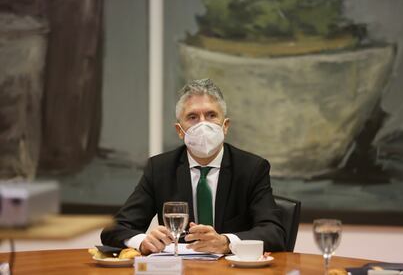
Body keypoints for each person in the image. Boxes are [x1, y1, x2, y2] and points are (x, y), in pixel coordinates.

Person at [101, 78, 286, 255]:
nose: (203, 124)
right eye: (192, 117)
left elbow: (274, 232)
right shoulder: (159, 169)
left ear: (225, 126)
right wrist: (142, 241)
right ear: (179, 131)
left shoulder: (252, 168)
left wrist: (226, 242)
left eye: (211, 115)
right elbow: (115, 229)